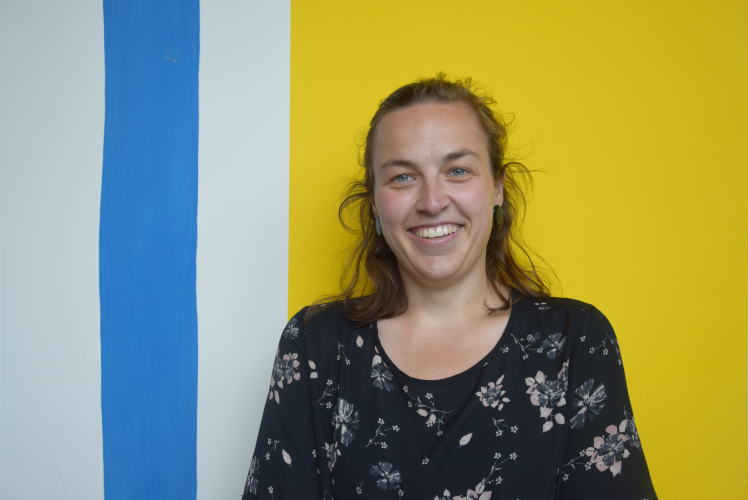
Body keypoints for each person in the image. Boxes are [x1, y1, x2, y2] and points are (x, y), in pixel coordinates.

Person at [241, 74, 657, 499]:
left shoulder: (575, 341)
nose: (432, 201)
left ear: (497, 188)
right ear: (375, 204)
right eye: (402, 177)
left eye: (457, 171)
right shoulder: (315, 345)